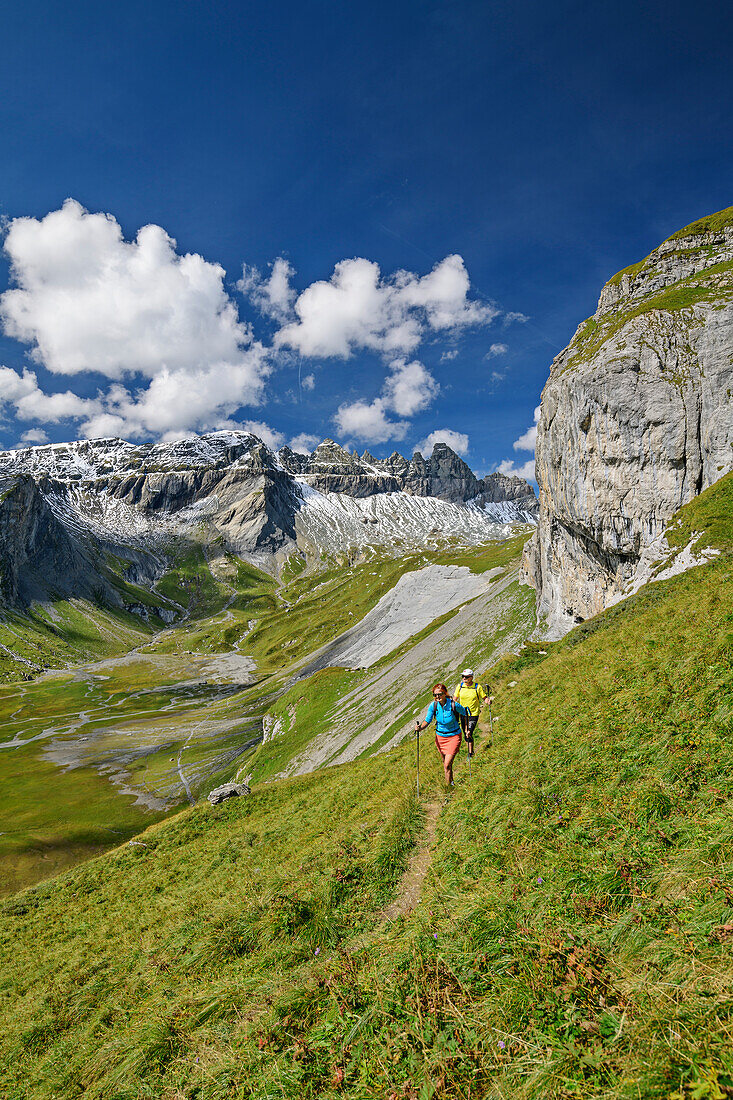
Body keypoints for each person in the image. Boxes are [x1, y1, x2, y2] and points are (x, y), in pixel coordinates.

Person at [415, 683, 469, 787]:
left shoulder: (453, 704)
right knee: (446, 763)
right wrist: (420, 728)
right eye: (435, 695)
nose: (437, 697)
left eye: (439, 694)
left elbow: (465, 713)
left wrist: (466, 728)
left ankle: (448, 788)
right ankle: (451, 783)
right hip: (440, 738)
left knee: (447, 764)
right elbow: (428, 720)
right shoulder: (433, 706)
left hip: (454, 736)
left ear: (444, 693)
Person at [453, 669, 487, 757]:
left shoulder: (477, 687)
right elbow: (455, 699)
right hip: (463, 713)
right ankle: (471, 752)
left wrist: (487, 700)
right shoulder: (460, 686)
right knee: (465, 733)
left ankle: (470, 753)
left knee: (469, 732)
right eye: (463, 676)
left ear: (471, 677)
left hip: (473, 714)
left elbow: (484, 697)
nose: (464, 678)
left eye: (467, 677)